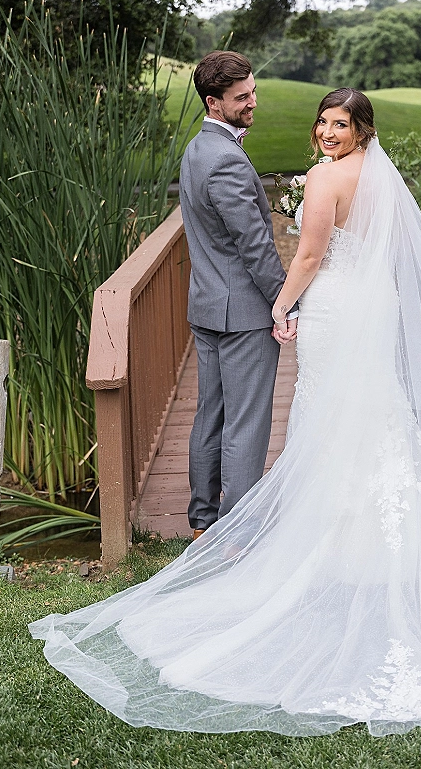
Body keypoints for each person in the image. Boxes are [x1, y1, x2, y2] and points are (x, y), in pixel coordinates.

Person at [30, 89, 421, 738]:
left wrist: (280, 305)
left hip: (337, 308)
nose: (324, 133)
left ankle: (338, 552)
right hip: (374, 307)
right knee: (372, 417)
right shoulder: (381, 180)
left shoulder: (322, 179)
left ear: (362, 129)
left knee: (335, 420)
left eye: (339, 124)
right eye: (322, 123)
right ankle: (368, 551)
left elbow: (313, 255)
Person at [179, 51, 296, 541]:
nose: (253, 102)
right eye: (241, 97)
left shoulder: (196, 149)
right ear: (214, 102)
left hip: (207, 305)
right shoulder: (226, 159)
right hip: (243, 313)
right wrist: (286, 301)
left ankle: (205, 521)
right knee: (246, 423)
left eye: (252, 91)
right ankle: (238, 534)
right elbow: (255, 245)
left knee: (212, 413)